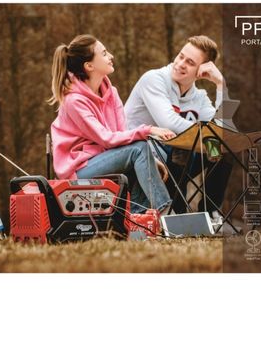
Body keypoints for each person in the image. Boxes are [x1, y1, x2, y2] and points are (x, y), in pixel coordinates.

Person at [49, 34, 175, 214]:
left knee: (140, 149)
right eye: (104, 53)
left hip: (103, 157)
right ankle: (164, 211)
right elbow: (106, 139)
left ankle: (137, 218)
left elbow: (122, 135)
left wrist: (149, 160)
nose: (111, 56)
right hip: (78, 169)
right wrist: (149, 130)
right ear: (89, 66)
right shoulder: (74, 101)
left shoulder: (111, 92)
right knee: (139, 148)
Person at [125, 35, 233, 218]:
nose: (180, 64)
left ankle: (210, 213)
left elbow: (224, 130)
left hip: (174, 157)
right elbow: (169, 122)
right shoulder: (154, 79)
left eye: (190, 62)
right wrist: (208, 135)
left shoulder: (199, 97)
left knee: (222, 149)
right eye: (181, 56)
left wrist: (221, 85)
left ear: (201, 71)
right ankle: (176, 211)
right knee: (182, 146)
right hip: (140, 157)